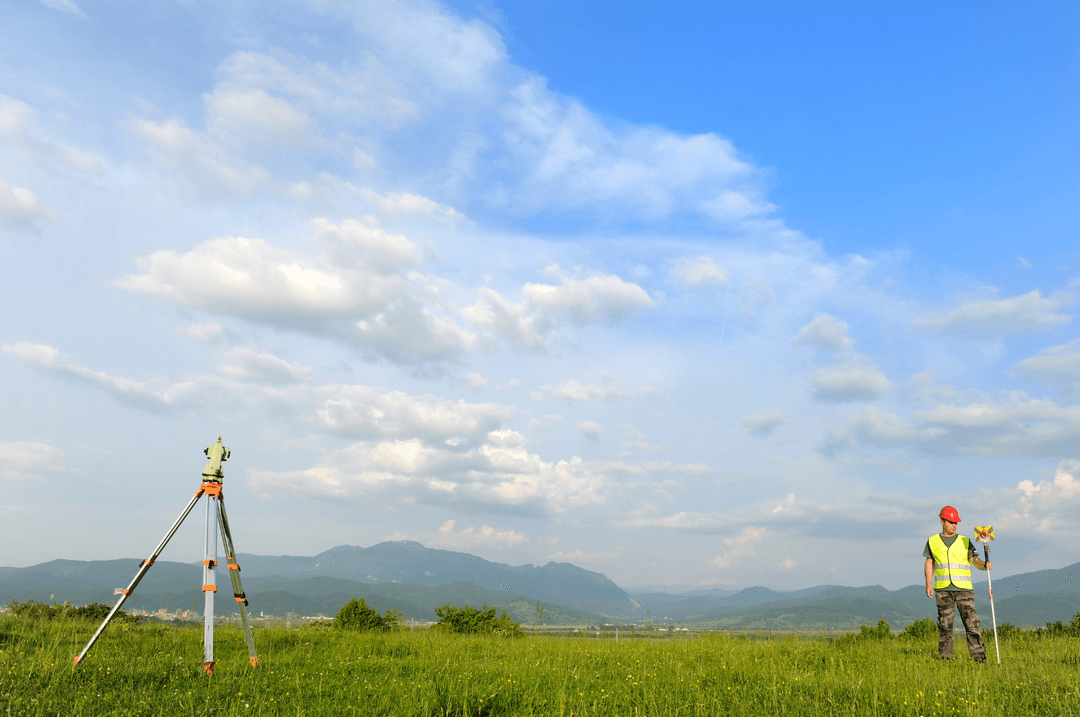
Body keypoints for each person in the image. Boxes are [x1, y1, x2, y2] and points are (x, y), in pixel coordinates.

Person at [923, 506, 991, 662]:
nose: (954, 525)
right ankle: (946, 659)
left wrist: (984, 565)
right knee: (945, 626)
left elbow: (975, 560)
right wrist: (928, 583)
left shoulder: (965, 541)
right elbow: (929, 562)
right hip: (943, 590)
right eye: (951, 522)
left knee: (972, 625)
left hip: (964, 590)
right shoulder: (932, 541)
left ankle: (979, 659)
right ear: (942, 521)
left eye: (956, 522)